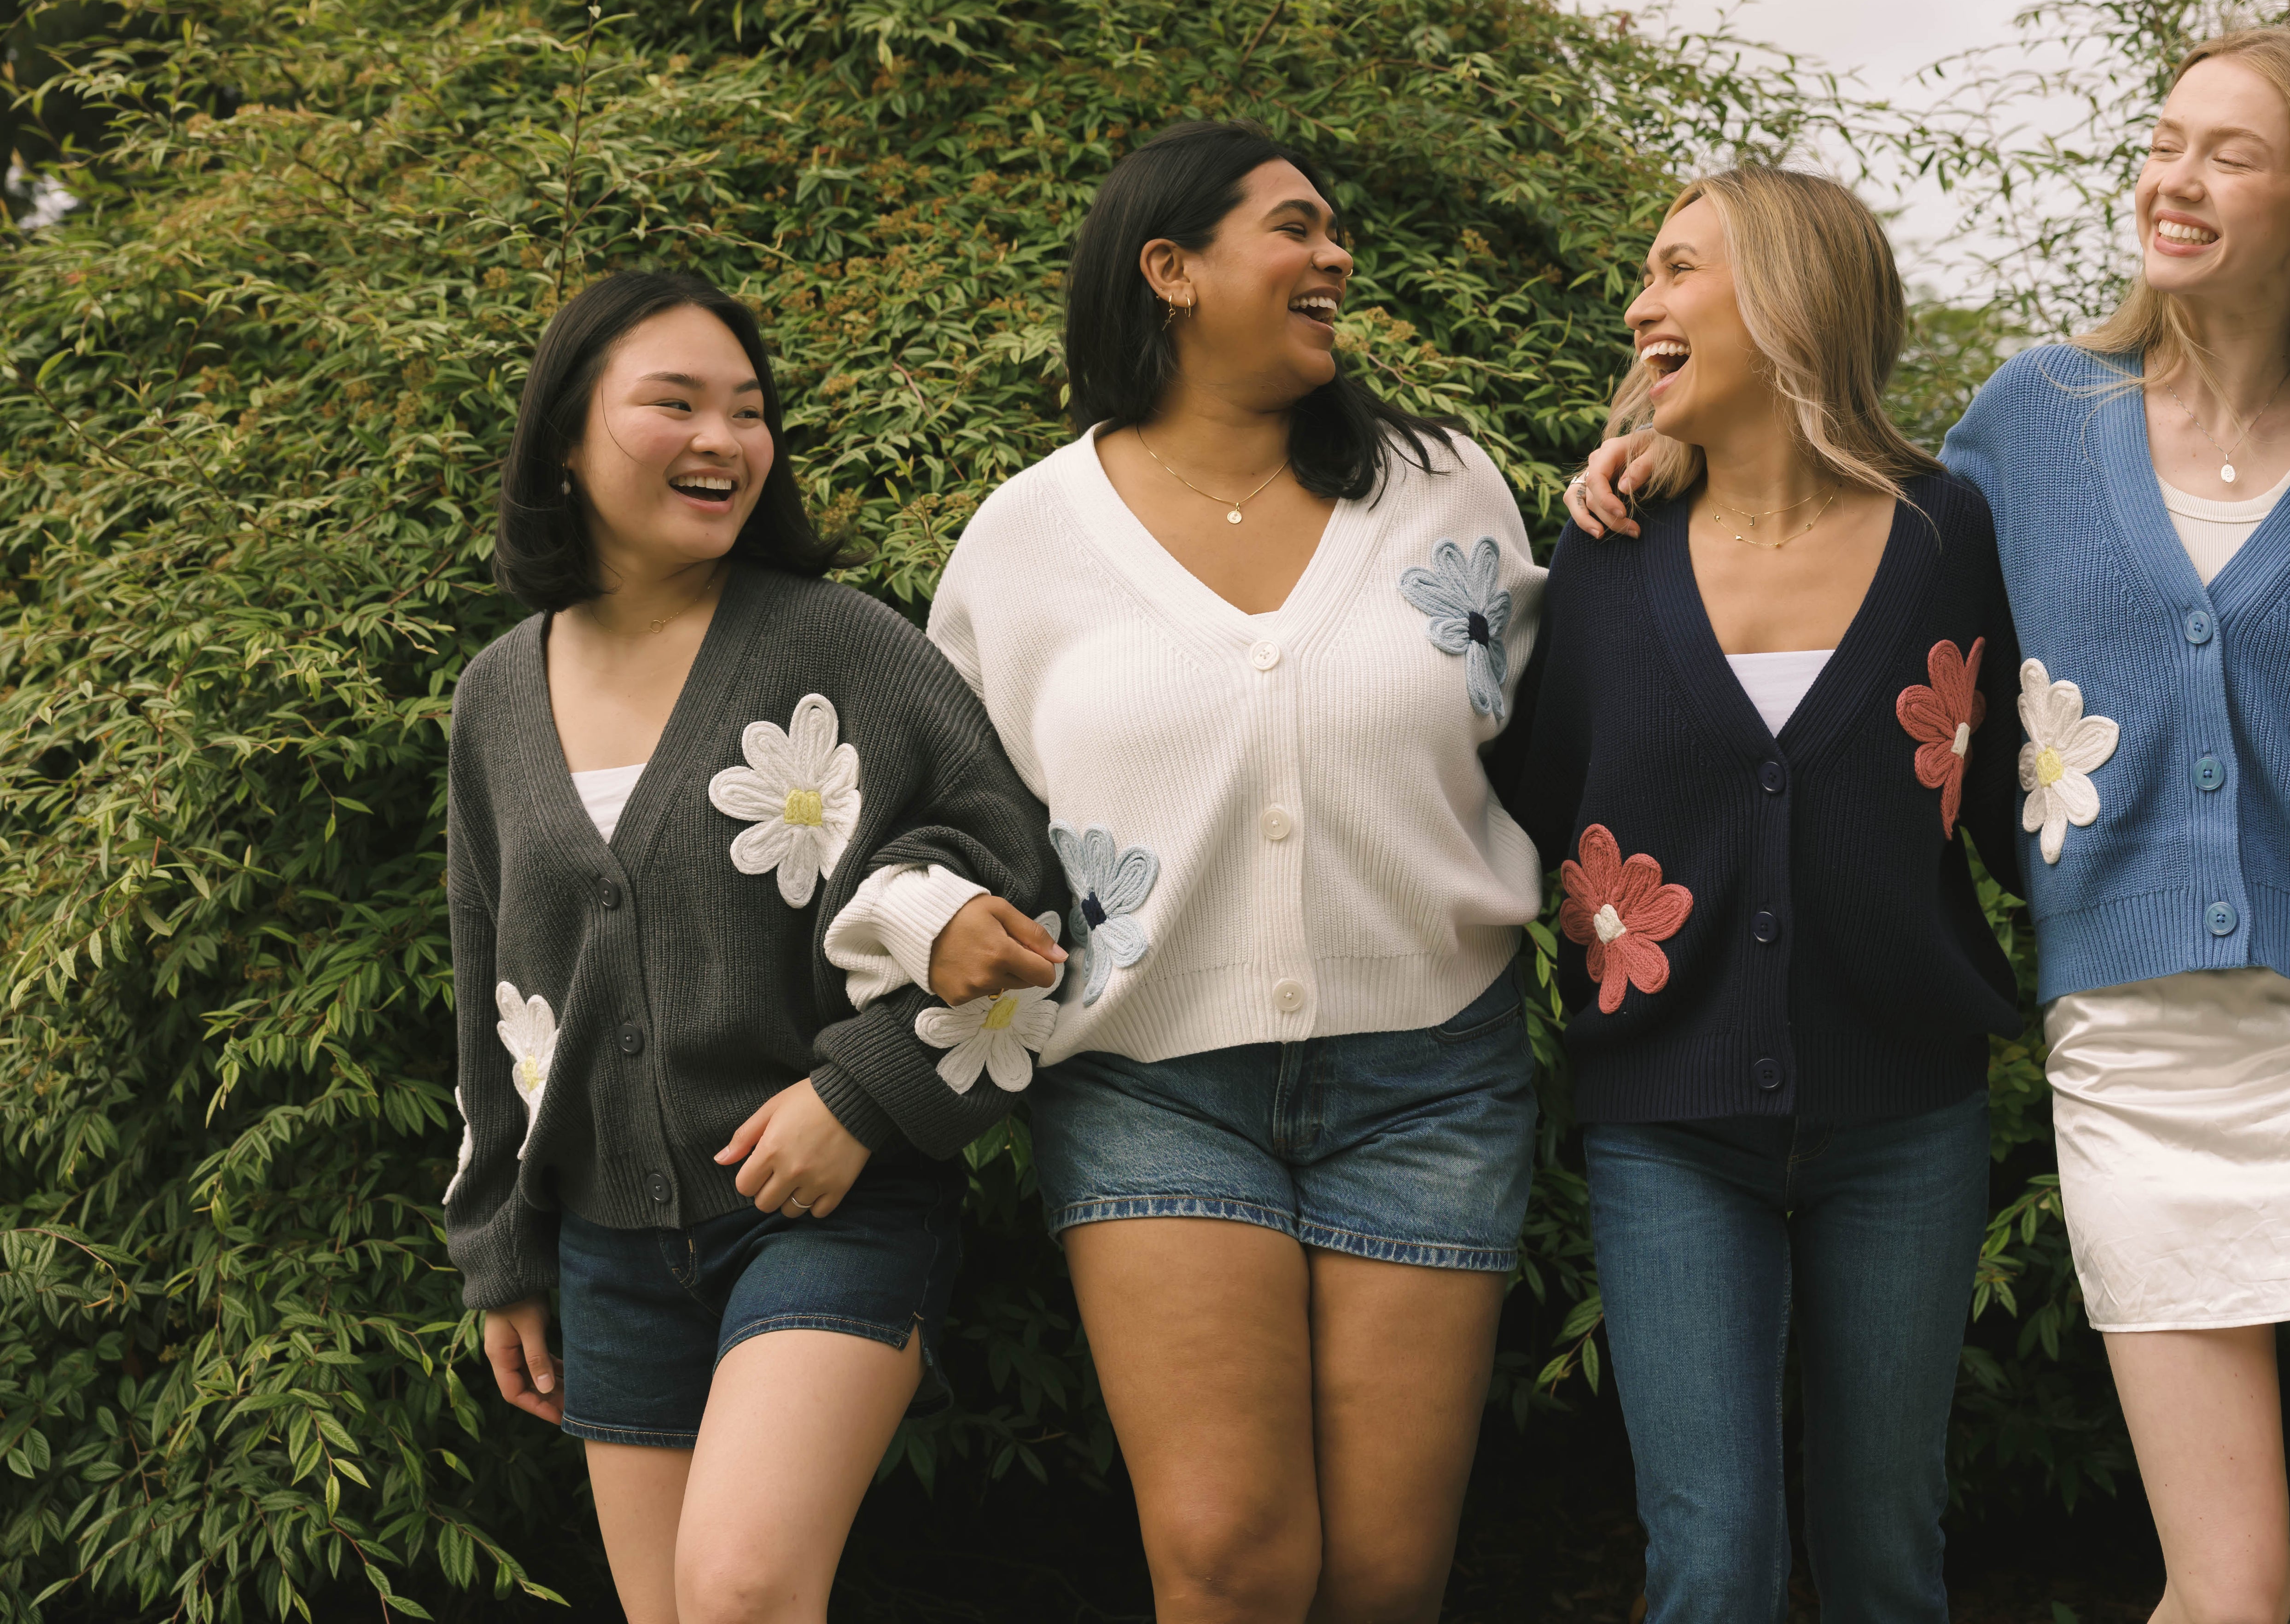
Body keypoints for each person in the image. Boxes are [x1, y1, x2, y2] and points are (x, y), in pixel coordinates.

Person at [1566, 26, 2290, 1624]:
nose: (2174, 176)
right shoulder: (2037, 419)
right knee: (2223, 1592)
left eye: (2230, 153)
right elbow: (1874, 542)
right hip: (2138, 1072)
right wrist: (1687, 446)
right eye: (2164, 140)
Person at [924, 119, 1545, 1624]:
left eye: (1336, 233)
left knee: (1388, 1580)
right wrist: (933, 919)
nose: (1335, 257)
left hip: (1432, 1077)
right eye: (1295, 228)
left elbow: (1567, 728)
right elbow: (950, 811)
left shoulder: (1443, 488)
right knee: (1226, 1560)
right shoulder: (1025, 538)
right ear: (1172, 270)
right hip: (1149, 1085)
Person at [445, 270, 1068, 1624]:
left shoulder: (839, 646)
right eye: (674, 404)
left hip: (829, 1210)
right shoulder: (496, 697)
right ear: (565, 435)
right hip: (607, 1244)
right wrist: (502, 1248)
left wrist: (861, 1094)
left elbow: (1027, 907)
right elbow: (492, 1000)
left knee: (736, 1592)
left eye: (748, 409)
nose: (723, 439)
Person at [1492, 164, 2020, 1624]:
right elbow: (1540, 803)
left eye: (1676, 270)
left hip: (1905, 1119)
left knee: (1885, 1562)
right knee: (1711, 1571)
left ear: (1789, 299)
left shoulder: (1946, 540)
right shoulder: (1605, 558)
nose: (1638, 302)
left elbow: (2017, 797)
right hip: (1670, 1123)